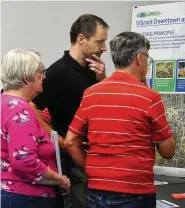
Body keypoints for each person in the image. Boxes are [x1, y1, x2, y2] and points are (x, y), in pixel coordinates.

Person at [64, 32, 176, 208]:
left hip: (96, 191)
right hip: (135, 193)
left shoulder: (91, 93)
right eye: (148, 58)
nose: (147, 64)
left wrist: (92, 170)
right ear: (139, 58)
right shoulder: (150, 97)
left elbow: (70, 141)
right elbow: (168, 151)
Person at [30, 14, 109, 208]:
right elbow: (31, 106)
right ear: (81, 38)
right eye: (99, 41)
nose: (104, 48)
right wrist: (55, 136)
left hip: (97, 154)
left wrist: (103, 80)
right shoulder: (56, 72)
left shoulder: (94, 70)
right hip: (72, 161)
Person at [0, 49, 70, 208]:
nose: (44, 77)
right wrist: (60, 179)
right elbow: (24, 161)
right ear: (26, 77)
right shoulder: (20, 109)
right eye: (40, 72)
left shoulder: (4, 102)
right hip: (25, 197)